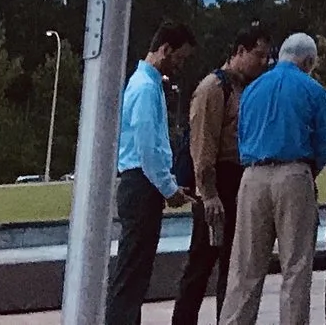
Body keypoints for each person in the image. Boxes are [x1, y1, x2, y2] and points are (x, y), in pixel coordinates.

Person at [222, 31, 326, 325]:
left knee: (244, 268)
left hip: (252, 176)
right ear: (308, 61)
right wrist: (308, 171)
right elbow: (324, 142)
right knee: (295, 268)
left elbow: (242, 134)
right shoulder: (312, 89)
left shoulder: (253, 89)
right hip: (294, 173)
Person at [177, 27, 275, 325]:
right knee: (201, 265)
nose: (263, 63)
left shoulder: (245, 88)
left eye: (267, 58)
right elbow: (203, 145)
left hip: (238, 180)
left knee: (233, 266)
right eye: (258, 55)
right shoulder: (213, 88)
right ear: (239, 52)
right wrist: (208, 193)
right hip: (217, 181)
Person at [111, 22, 198, 325]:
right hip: (141, 184)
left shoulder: (143, 83)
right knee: (133, 272)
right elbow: (148, 148)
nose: (180, 64)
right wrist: (169, 188)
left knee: (134, 271)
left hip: (139, 183)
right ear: (165, 49)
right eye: (179, 58)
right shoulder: (147, 88)